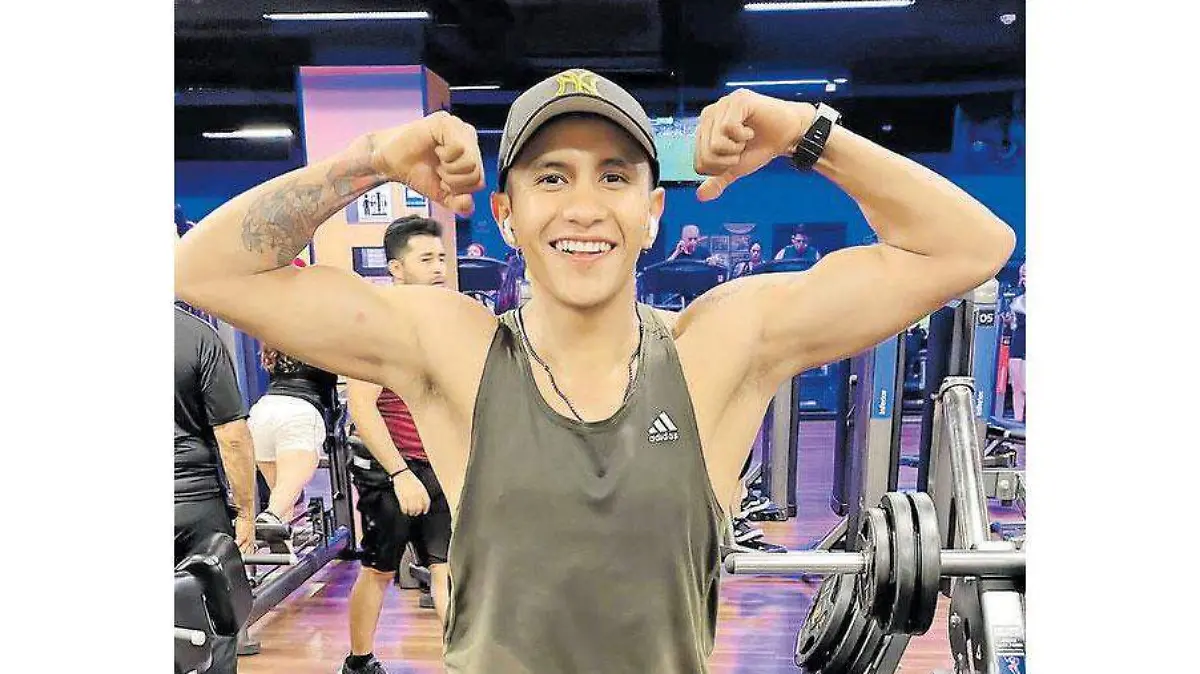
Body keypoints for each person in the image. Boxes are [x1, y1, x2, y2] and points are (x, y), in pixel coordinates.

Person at [175, 68, 1015, 673]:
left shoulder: (721, 347)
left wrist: (806, 133)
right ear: (507, 215)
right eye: (551, 177)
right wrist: (372, 158)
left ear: (652, 212)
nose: (583, 205)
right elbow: (205, 271)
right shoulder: (453, 349)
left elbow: (972, 248)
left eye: (614, 177)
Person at [340, 216, 452, 674]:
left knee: (447, 568)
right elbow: (362, 407)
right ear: (397, 268)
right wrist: (401, 475)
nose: (439, 267)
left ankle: (463, 662)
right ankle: (358, 662)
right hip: (389, 469)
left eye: (441, 257)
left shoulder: (442, 321)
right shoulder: (377, 326)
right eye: (426, 259)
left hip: (435, 463)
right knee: (380, 569)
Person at [174, 306, 256, 674]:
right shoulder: (197, 334)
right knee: (215, 619)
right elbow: (232, 436)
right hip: (195, 504)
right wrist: (246, 512)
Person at [248, 341, 338, 548]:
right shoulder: (321, 339)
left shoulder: (277, 339)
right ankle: (269, 518)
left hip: (262, 412)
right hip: (300, 412)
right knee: (280, 502)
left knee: (282, 496)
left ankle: (282, 546)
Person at [1006, 262, 1027, 422]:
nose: (1025, 278)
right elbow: (1014, 324)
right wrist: (1009, 321)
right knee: (1017, 385)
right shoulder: (1017, 300)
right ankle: (1017, 419)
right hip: (1017, 342)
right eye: (1023, 275)